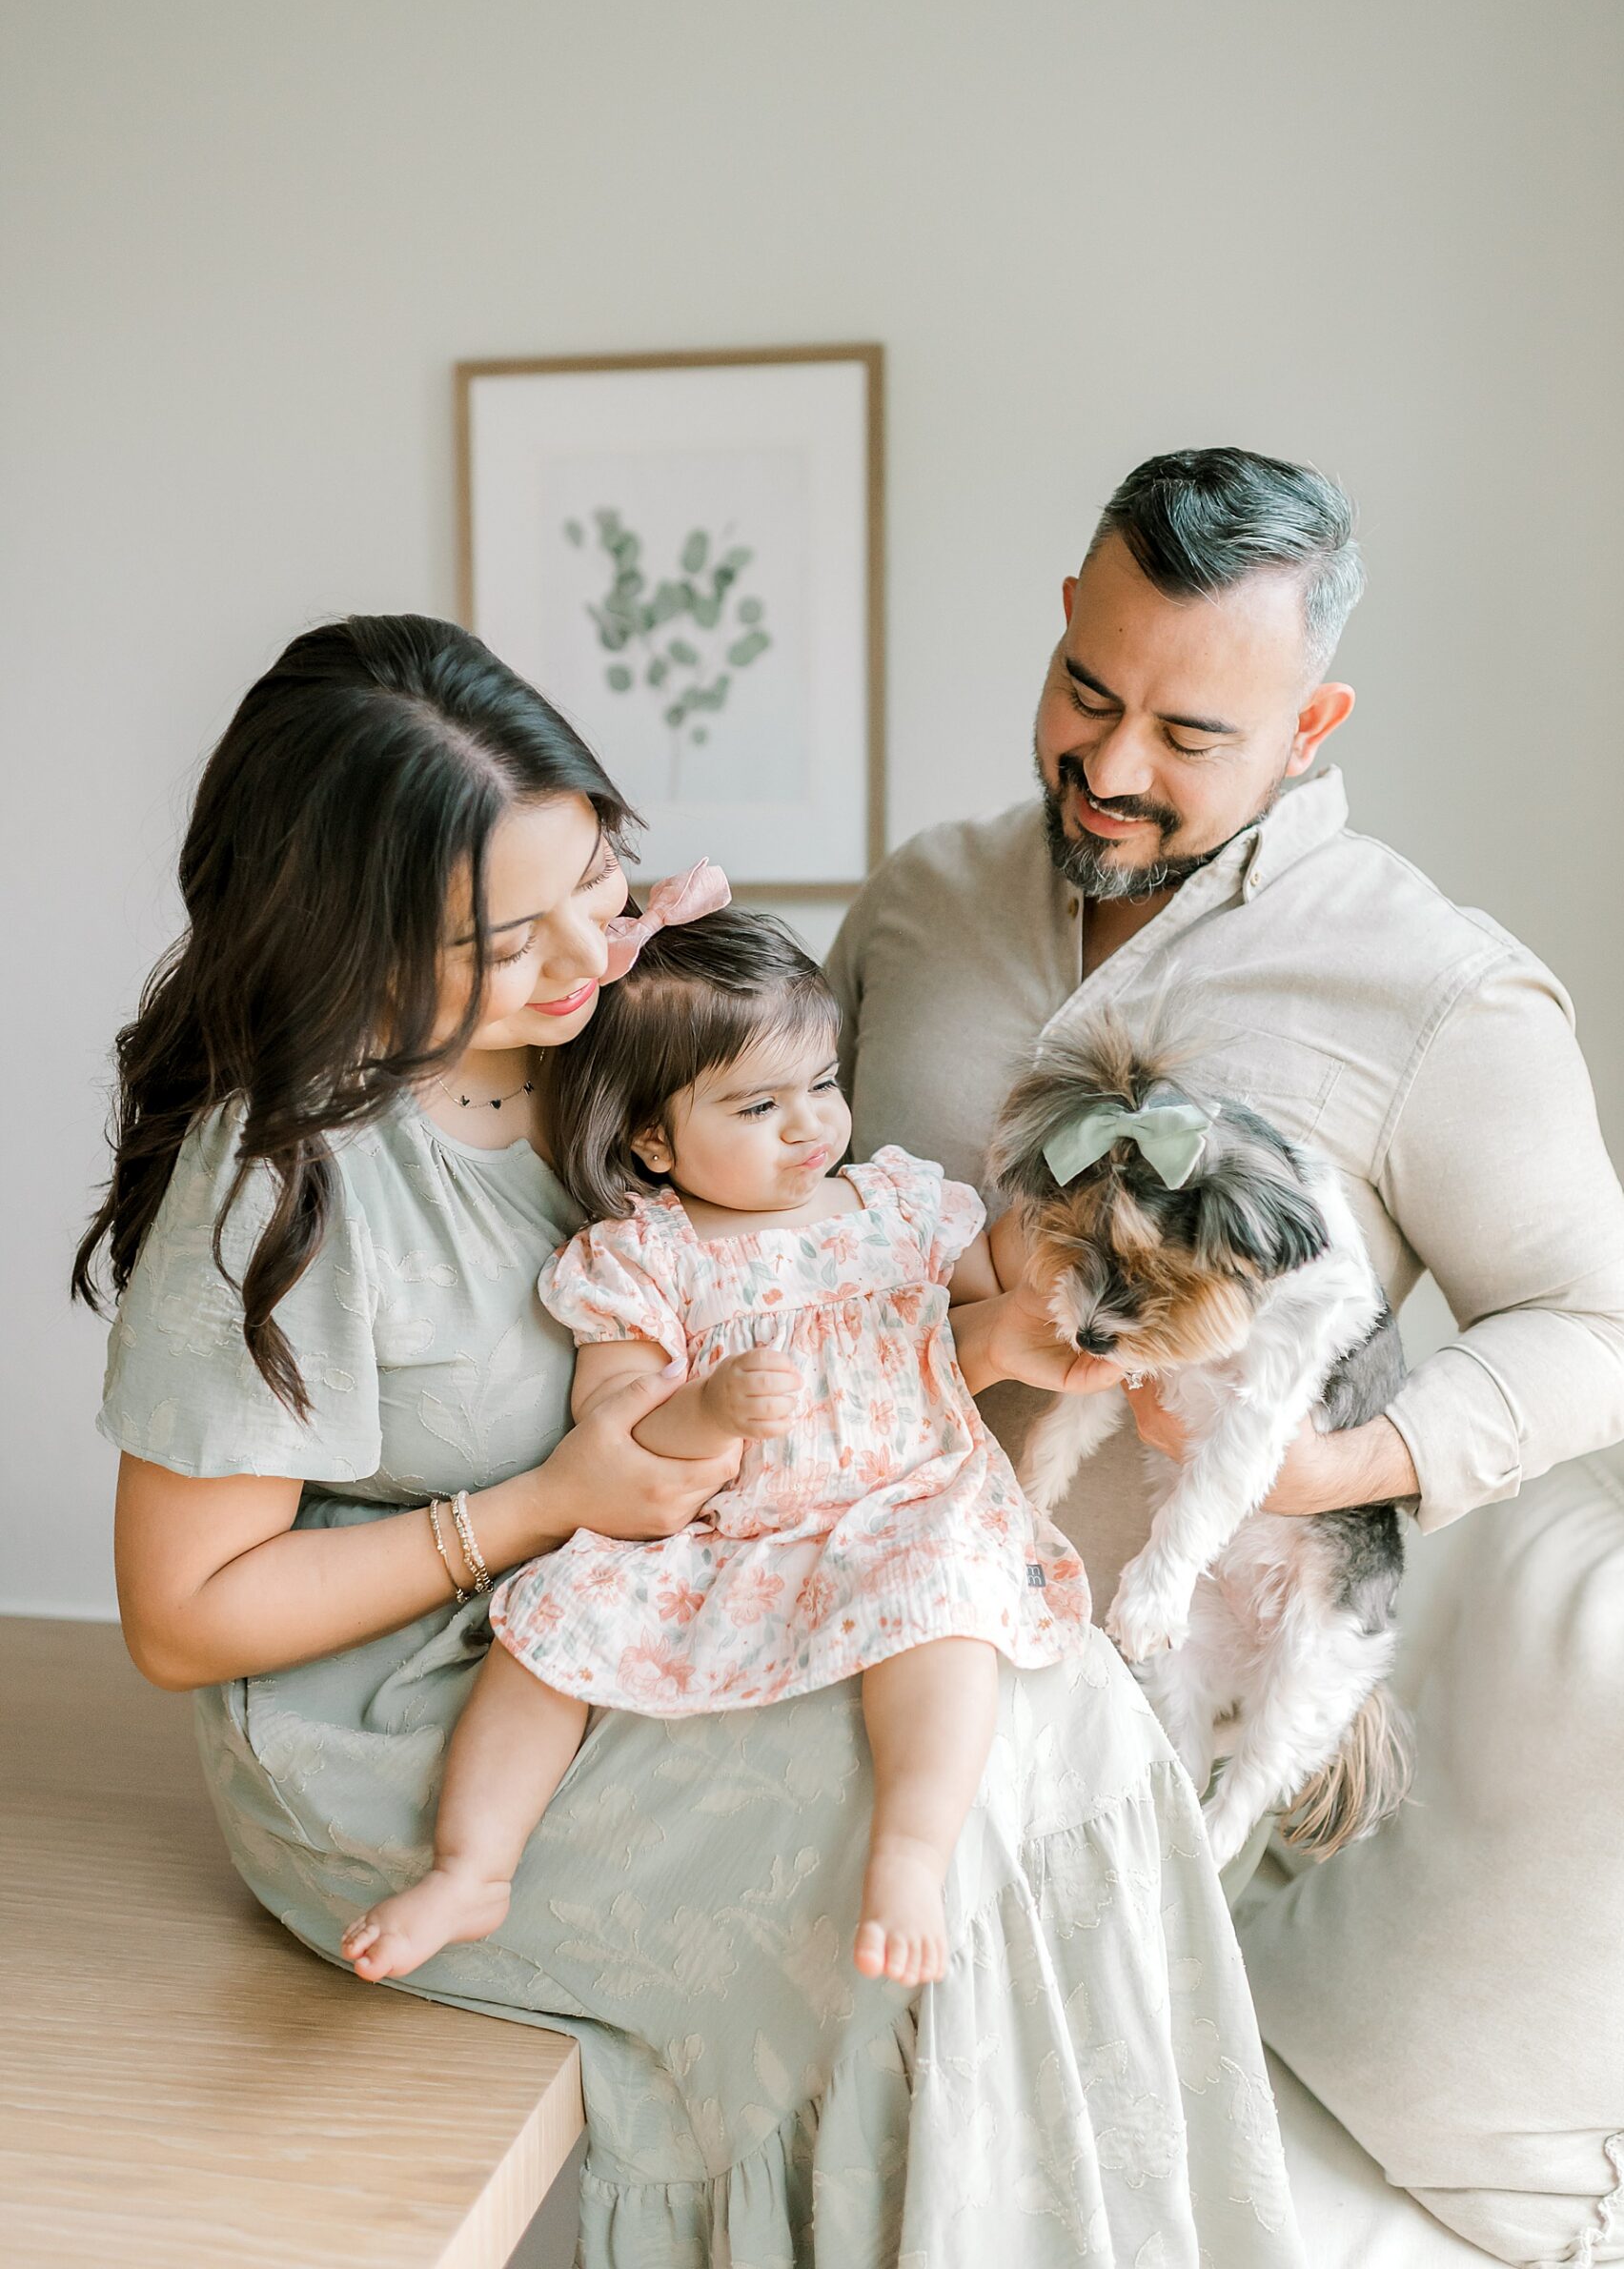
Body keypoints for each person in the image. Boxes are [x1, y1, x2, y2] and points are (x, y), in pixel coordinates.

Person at [78, 614, 1306, 2266]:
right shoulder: (280, 1178)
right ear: (350, 941)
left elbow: (801, 1307)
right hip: (415, 1704)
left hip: (690, 1582)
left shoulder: (630, 1028)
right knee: (881, 1858)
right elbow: (180, 1618)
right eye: (505, 940)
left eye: (597, 878)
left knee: (1044, 1711)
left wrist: (1010, 1322)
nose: (582, 955)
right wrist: (540, 1505)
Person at [828, 446, 1624, 1633]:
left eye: (1189, 738)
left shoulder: (1445, 989)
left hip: (1164, 1704)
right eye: (1089, 692)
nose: (1111, 768)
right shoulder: (918, 897)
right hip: (825, 1629)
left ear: (1309, 727)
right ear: (1066, 620)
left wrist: (1334, 1468)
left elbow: (1598, 1327)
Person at [341, 894, 1090, 1994]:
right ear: (654, 1136)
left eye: (823, 1083)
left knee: (946, 1608)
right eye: (757, 1105)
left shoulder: (891, 1208)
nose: (809, 1125)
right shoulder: (645, 1258)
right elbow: (618, 1421)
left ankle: (911, 1853)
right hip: (718, 1529)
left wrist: (1053, 1272)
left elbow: (980, 1297)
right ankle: (472, 1866)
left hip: (904, 1500)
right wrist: (712, 1404)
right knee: (547, 1628)